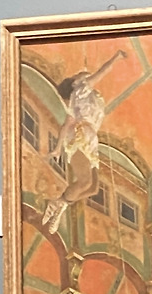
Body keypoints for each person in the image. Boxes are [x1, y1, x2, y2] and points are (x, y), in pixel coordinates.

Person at [39, 50, 126, 235]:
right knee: (85, 181)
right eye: (79, 74)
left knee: (93, 188)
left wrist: (57, 149)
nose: (83, 73)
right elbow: (102, 71)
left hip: (90, 137)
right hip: (81, 135)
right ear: (74, 82)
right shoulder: (82, 87)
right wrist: (116, 57)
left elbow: (66, 123)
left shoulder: (82, 97)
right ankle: (58, 203)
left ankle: (61, 205)